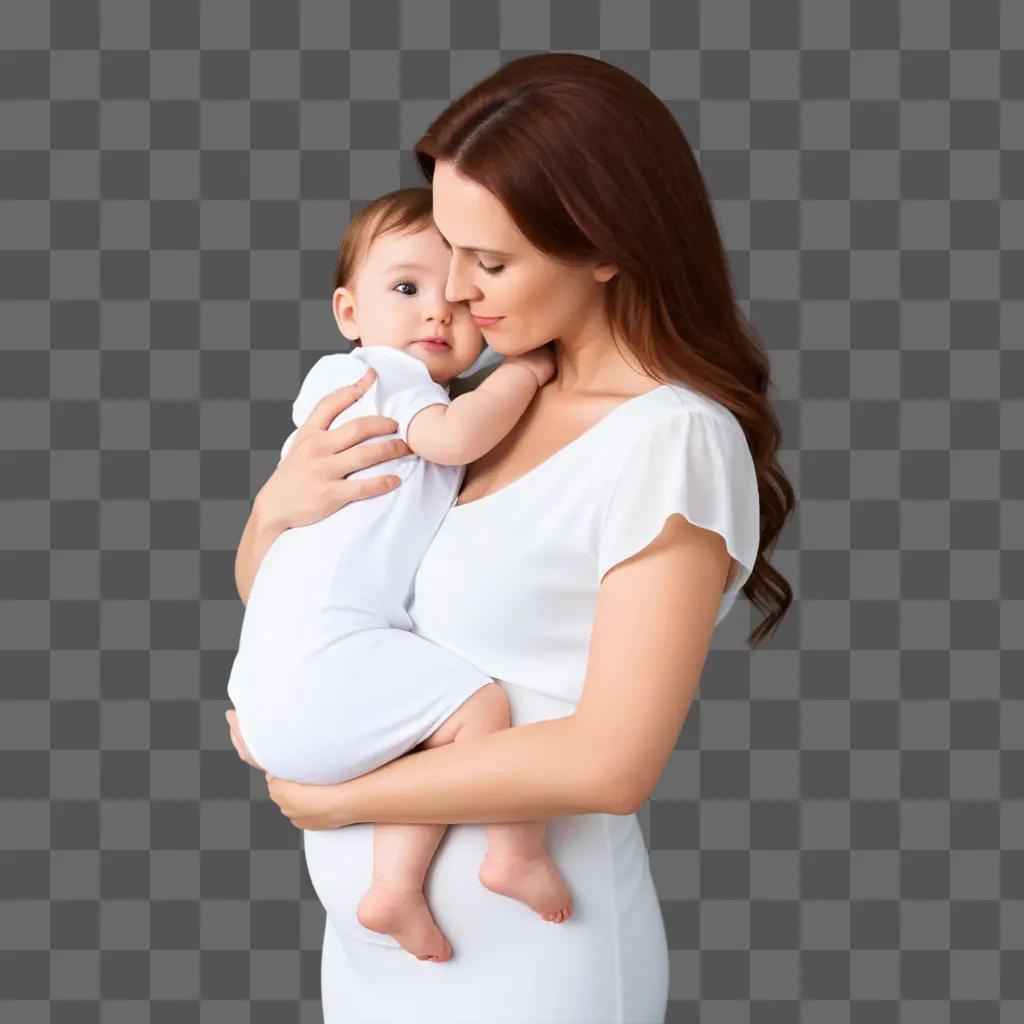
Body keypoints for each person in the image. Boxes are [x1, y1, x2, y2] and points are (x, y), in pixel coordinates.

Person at [229, 52, 794, 1024]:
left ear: (606, 248)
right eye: (446, 247)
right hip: (375, 961)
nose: (453, 292)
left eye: (489, 263)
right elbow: (299, 589)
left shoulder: (668, 440)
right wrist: (276, 507)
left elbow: (610, 761)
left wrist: (338, 798)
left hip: (534, 965)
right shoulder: (464, 409)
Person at [225, 185, 574, 964]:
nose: (436, 314)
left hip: (284, 675)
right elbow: (451, 441)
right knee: (479, 709)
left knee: (428, 731)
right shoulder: (376, 380)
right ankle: (510, 855)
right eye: (407, 288)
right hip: (319, 658)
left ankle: (391, 891)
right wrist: (521, 374)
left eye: (456, 293)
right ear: (349, 312)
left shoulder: (398, 394)